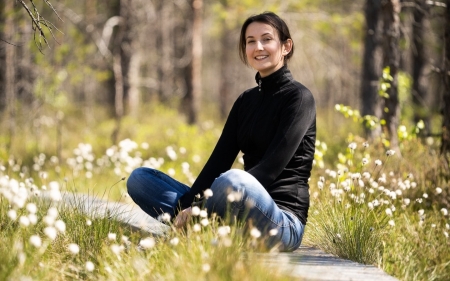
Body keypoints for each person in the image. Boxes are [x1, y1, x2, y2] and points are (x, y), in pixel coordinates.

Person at [127, 11, 316, 252]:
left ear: (285, 46)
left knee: (234, 179)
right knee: (140, 179)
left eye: (267, 39)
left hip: (280, 221)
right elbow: (218, 161)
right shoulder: (245, 101)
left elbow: (269, 170)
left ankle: (190, 232)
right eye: (250, 41)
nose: (258, 47)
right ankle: (201, 227)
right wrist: (191, 203)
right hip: (233, 209)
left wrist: (199, 207)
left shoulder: (299, 99)